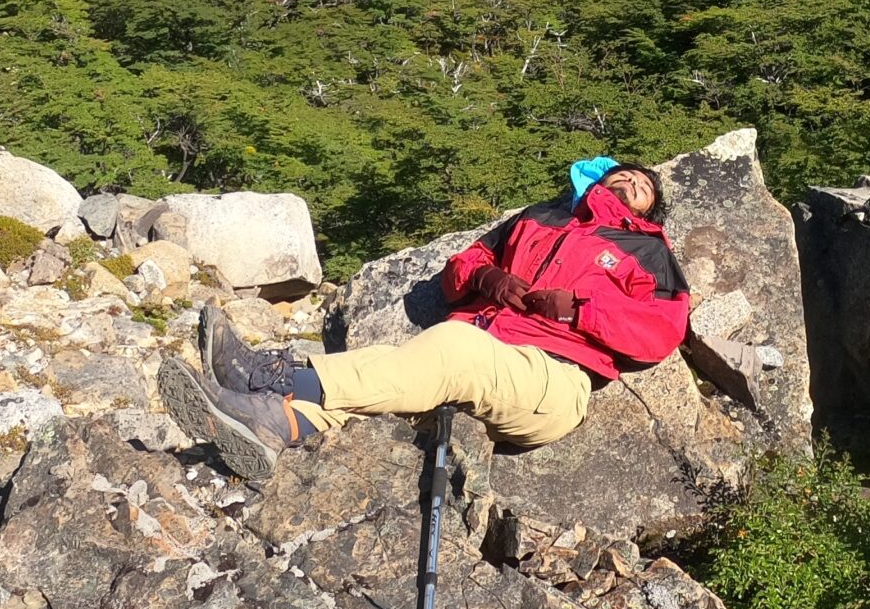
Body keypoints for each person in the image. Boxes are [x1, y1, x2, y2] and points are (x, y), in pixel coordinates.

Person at [163, 161, 688, 468]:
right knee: (398, 375)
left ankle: (268, 375)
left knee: (452, 350)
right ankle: (273, 424)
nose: (634, 182)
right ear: (599, 179)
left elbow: (661, 332)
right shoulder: (541, 219)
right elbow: (463, 266)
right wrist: (488, 279)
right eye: (624, 175)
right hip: (480, 346)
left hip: (553, 379)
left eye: (644, 185)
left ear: (651, 206)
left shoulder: (649, 252)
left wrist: (581, 308)